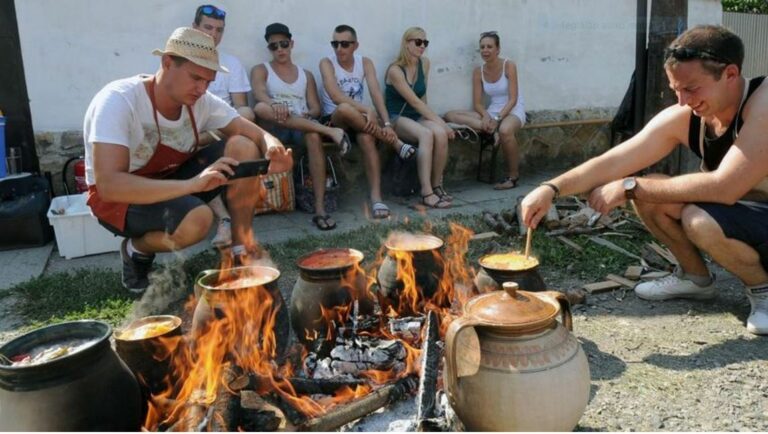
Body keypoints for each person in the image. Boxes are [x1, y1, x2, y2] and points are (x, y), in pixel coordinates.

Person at [520, 25, 768, 335]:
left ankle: (763, 293)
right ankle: (695, 280)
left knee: (695, 217)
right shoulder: (690, 114)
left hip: (752, 213)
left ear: (730, 74)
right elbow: (615, 161)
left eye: (691, 88)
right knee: (653, 192)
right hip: (748, 216)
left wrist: (630, 187)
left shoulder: (763, 104)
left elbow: (725, 187)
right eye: (675, 89)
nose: (681, 101)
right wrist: (550, 188)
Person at [83, 27, 292, 292]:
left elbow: (251, 132)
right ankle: (136, 249)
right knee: (199, 220)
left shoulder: (201, 101)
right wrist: (192, 185)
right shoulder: (118, 101)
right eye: (195, 78)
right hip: (120, 198)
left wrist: (273, 147)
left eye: (208, 81)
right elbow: (110, 186)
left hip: (173, 180)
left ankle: (240, 250)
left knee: (243, 145)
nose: (202, 89)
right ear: (167, 62)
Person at [252, 23, 350, 230]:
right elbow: (260, 95)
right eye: (274, 46)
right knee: (261, 108)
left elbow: (315, 108)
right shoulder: (261, 70)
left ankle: (320, 209)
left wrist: (306, 115)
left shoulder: (306, 75)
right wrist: (275, 105)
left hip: (300, 125)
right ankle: (331, 131)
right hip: (274, 126)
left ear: (291, 44)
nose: (279, 49)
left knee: (312, 135)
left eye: (284, 44)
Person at [319, 24, 412, 219]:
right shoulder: (326, 63)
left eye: (344, 44)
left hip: (360, 121)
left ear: (355, 45)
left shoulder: (365, 62)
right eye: (335, 44)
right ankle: (394, 143)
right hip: (334, 120)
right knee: (345, 108)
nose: (339, 49)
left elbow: (376, 94)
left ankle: (376, 198)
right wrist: (366, 109)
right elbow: (336, 96)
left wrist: (386, 124)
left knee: (367, 139)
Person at [191, 4, 254, 247]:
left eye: (219, 30)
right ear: (194, 28)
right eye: (208, 28)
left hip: (222, 128)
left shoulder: (231, 63)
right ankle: (224, 219)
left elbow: (241, 108)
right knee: (190, 144)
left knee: (247, 114)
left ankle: (239, 231)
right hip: (191, 131)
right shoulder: (182, 61)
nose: (213, 34)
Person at [444, 31, 526, 190]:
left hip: (513, 109)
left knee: (505, 130)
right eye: (482, 47)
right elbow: (477, 104)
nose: (485, 50)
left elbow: (513, 98)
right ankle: (488, 129)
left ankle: (513, 177)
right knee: (450, 115)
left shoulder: (509, 65)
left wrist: (497, 119)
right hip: (493, 110)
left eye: (489, 46)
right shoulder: (478, 72)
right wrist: (487, 117)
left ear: (498, 49)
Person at [384, 27, 456, 209]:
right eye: (418, 42)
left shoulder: (424, 64)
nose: (422, 46)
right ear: (406, 43)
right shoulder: (395, 70)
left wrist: (437, 123)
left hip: (416, 116)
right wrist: (442, 122)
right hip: (397, 118)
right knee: (426, 134)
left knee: (439, 133)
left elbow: (423, 98)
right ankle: (426, 192)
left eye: (425, 42)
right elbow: (414, 102)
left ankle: (437, 185)